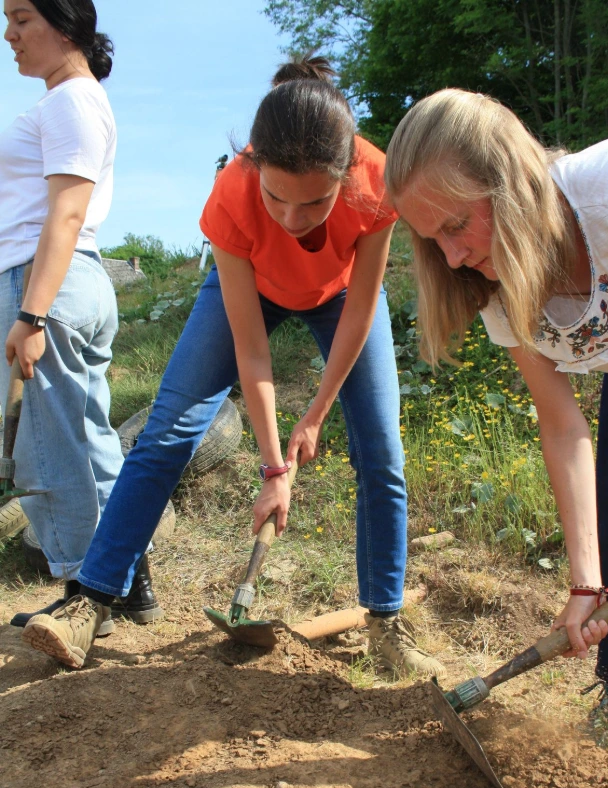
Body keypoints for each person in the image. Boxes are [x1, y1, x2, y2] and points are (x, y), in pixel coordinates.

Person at [22, 56, 445, 681]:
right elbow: (253, 352)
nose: (292, 219)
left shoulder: (376, 179)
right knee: (167, 428)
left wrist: (317, 414)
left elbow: (360, 316)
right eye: (277, 197)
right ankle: (91, 600)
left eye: (315, 203)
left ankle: (385, 622)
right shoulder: (233, 195)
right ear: (253, 168)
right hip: (248, 289)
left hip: (343, 298)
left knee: (381, 450)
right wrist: (276, 466)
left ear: (346, 174)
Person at [385, 88, 608, 772]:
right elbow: (562, 425)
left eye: (458, 225)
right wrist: (587, 581)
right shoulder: (495, 280)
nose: (453, 256)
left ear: (512, 181)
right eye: (432, 237)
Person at [1, 0, 161, 631]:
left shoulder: (68, 100)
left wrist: (31, 314)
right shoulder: (75, 100)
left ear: (65, 25)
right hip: (76, 281)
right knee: (90, 439)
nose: (8, 34)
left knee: (49, 449)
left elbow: (64, 214)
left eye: (21, 19)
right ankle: (128, 581)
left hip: (46, 283)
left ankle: (79, 597)